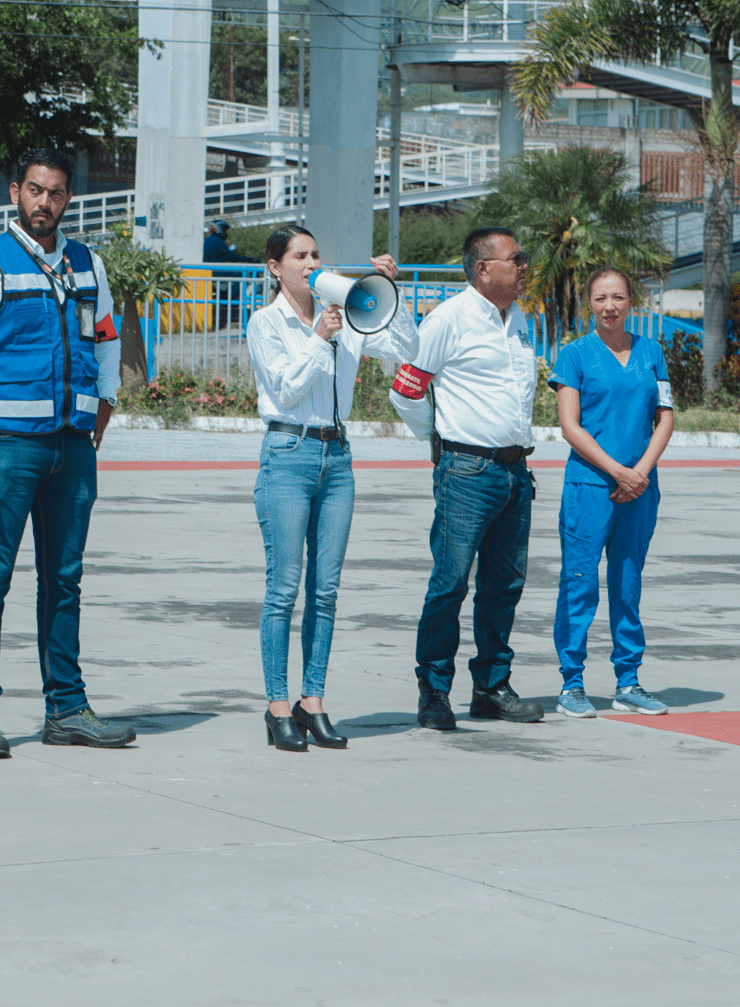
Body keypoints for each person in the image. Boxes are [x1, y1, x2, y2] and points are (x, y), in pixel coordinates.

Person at [0, 149, 131, 759]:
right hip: (6, 449)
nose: (43, 203)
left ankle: (67, 709)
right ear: (14, 192)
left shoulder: (88, 264)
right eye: (33, 190)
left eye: (54, 193)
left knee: (65, 580)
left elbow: (106, 337)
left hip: (74, 449)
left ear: (68, 199)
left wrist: (106, 398)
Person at [247, 224, 415, 752]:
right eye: (300, 256)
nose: (311, 263)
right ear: (276, 267)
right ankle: (277, 706)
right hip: (288, 454)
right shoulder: (265, 322)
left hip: (337, 457)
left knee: (326, 590)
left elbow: (406, 347)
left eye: (316, 254)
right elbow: (287, 390)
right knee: (284, 589)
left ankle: (312, 701)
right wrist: (321, 338)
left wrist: (390, 292)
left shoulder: (344, 316)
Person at [388, 226, 546, 730]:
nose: (524, 267)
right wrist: (435, 441)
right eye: (515, 260)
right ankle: (434, 692)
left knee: (504, 585)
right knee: (450, 583)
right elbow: (405, 389)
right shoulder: (449, 320)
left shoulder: (517, 319)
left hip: (515, 471)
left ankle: (491, 687)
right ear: (483, 269)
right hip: (467, 471)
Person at [549, 268, 676, 719]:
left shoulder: (651, 352)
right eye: (601, 298)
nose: (610, 306)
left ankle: (628, 681)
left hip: (640, 488)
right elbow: (570, 426)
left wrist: (639, 473)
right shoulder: (575, 355)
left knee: (628, 582)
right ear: (590, 303)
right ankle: (572, 683)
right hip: (590, 487)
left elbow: (665, 418)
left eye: (618, 297)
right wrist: (617, 471)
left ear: (631, 302)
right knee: (579, 583)